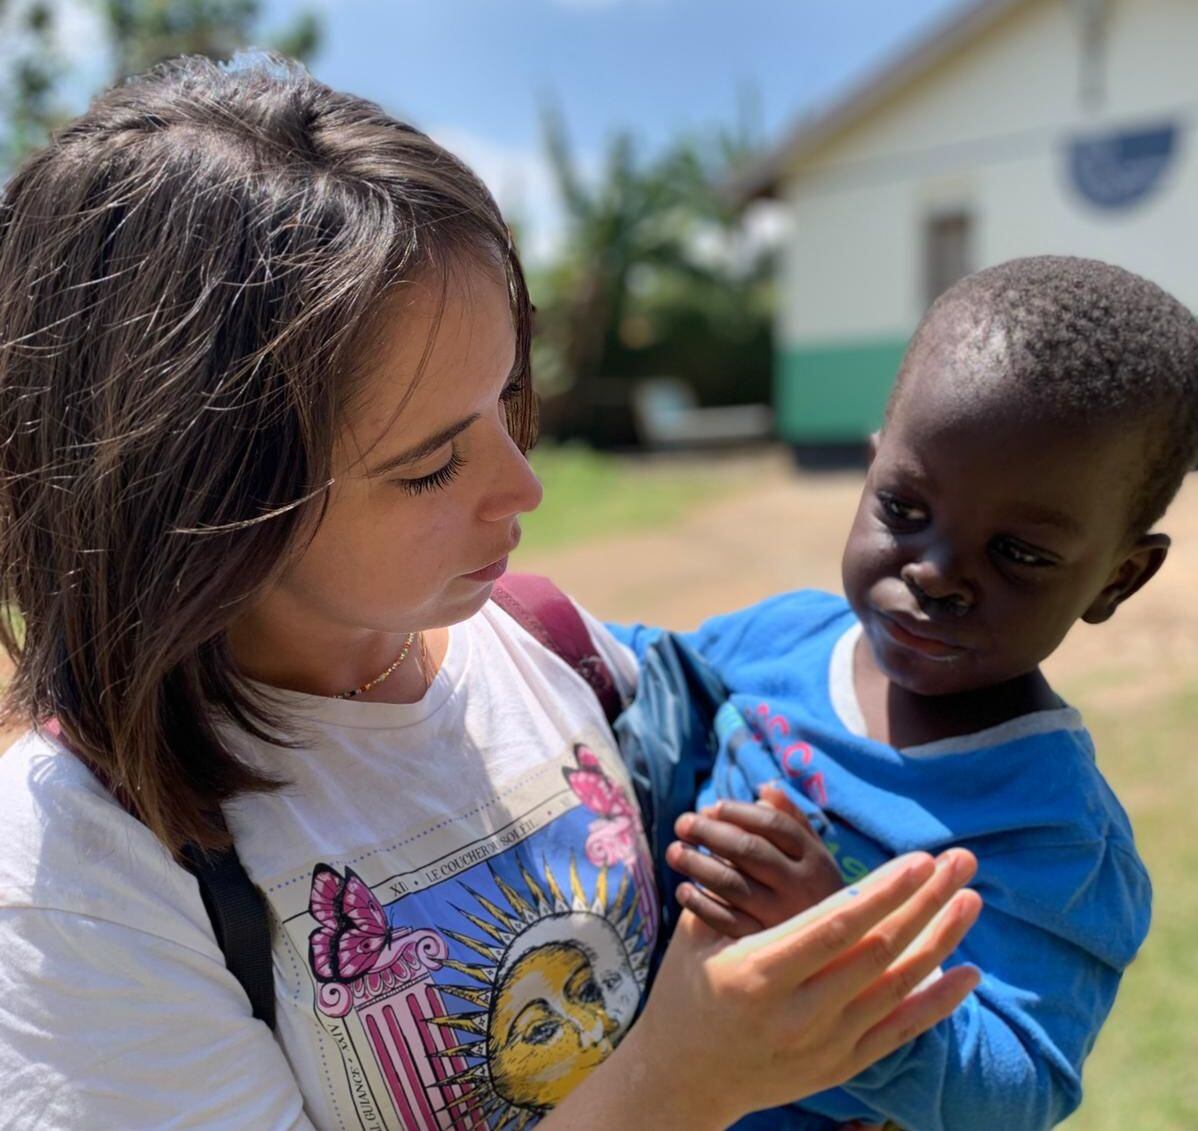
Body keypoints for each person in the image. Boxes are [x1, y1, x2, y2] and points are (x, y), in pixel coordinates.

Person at [0, 54, 984, 1131]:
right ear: (186, 499)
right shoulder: (80, 873)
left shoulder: (553, 647)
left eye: (507, 399)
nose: (524, 486)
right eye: (428, 463)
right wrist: (683, 1081)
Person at [616, 256, 1198, 1130]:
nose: (935, 573)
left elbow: (1017, 1090)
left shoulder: (1055, 835)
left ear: (1119, 577)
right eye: (903, 507)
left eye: (1019, 554)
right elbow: (644, 670)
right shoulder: (787, 637)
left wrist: (841, 955)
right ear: (870, 468)